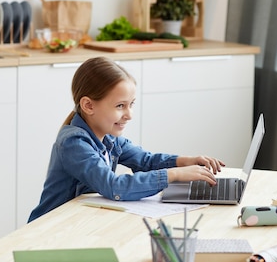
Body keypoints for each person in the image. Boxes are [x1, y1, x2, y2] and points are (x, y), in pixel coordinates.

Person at [28, 56, 225, 222]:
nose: (129, 114)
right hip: (51, 228)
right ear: (88, 106)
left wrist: (185, 161)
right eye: (120, 106)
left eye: (131, 104)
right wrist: (175, 175)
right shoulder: (74, 143)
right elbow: (114, 186)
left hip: (79, 222)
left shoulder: (109, 138)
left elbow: (145, 160)